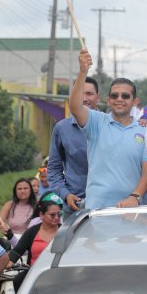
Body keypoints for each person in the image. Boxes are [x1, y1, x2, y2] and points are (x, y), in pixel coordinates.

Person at [69, 49, 147, 209]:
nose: (119, 99)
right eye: (114, 96)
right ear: (108, 100)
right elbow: (75, 107)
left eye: (125, 96)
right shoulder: (96, 121)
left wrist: (134, 197)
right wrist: (83, 72)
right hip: (98, 210)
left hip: (132, 211)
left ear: (135, 101)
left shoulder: (146, 130)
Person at [48, 76, 99, 212]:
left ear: (98, 97)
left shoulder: (110, 125)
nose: (84, 98)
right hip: (75, 208)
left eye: (89, 94)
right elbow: (53, 169)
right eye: (80, 93)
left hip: (106, 206)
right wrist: (65, 195)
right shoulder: (61, 128)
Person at [8, 195, 64, 292]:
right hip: (34, 274)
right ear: (41, 215)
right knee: (18, 280)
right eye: (52, 215)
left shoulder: (65, 231)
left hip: (59, 274)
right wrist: (10, 261)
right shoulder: (32, 232)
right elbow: (17, 251)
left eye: (59, 214)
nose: (56, 217)